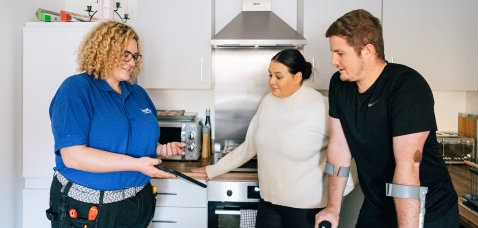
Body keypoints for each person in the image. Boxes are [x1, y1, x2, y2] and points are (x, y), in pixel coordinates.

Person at [314, 9, 458, 228]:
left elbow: (408, 168)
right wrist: (333, 208)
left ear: (368, 51)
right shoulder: (339, 85)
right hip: (377, 207)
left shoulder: (407, 87)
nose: (333, 61)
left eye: (340, 53)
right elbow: (339, 148)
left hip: (426, 211)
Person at [192, 49, 356, 228]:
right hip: (269, 203)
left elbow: (348, 151)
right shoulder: (268, 102)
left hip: (307, 208)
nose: (271, 81)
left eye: (278, 76)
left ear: (297, 76)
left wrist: (340, 194)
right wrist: (213, 170)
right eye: (270, 75)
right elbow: (249, 147)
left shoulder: (322, 106)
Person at [46, 21, 185, 228]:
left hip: (137, 203)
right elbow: (73, 156)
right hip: (88, 209)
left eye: (135, 56)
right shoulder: (77, 89)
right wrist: (137, 165)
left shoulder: (137, 93)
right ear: (104, 51)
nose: (132, 62)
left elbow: (135, 143)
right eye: (125, 54)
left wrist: (161, 149)